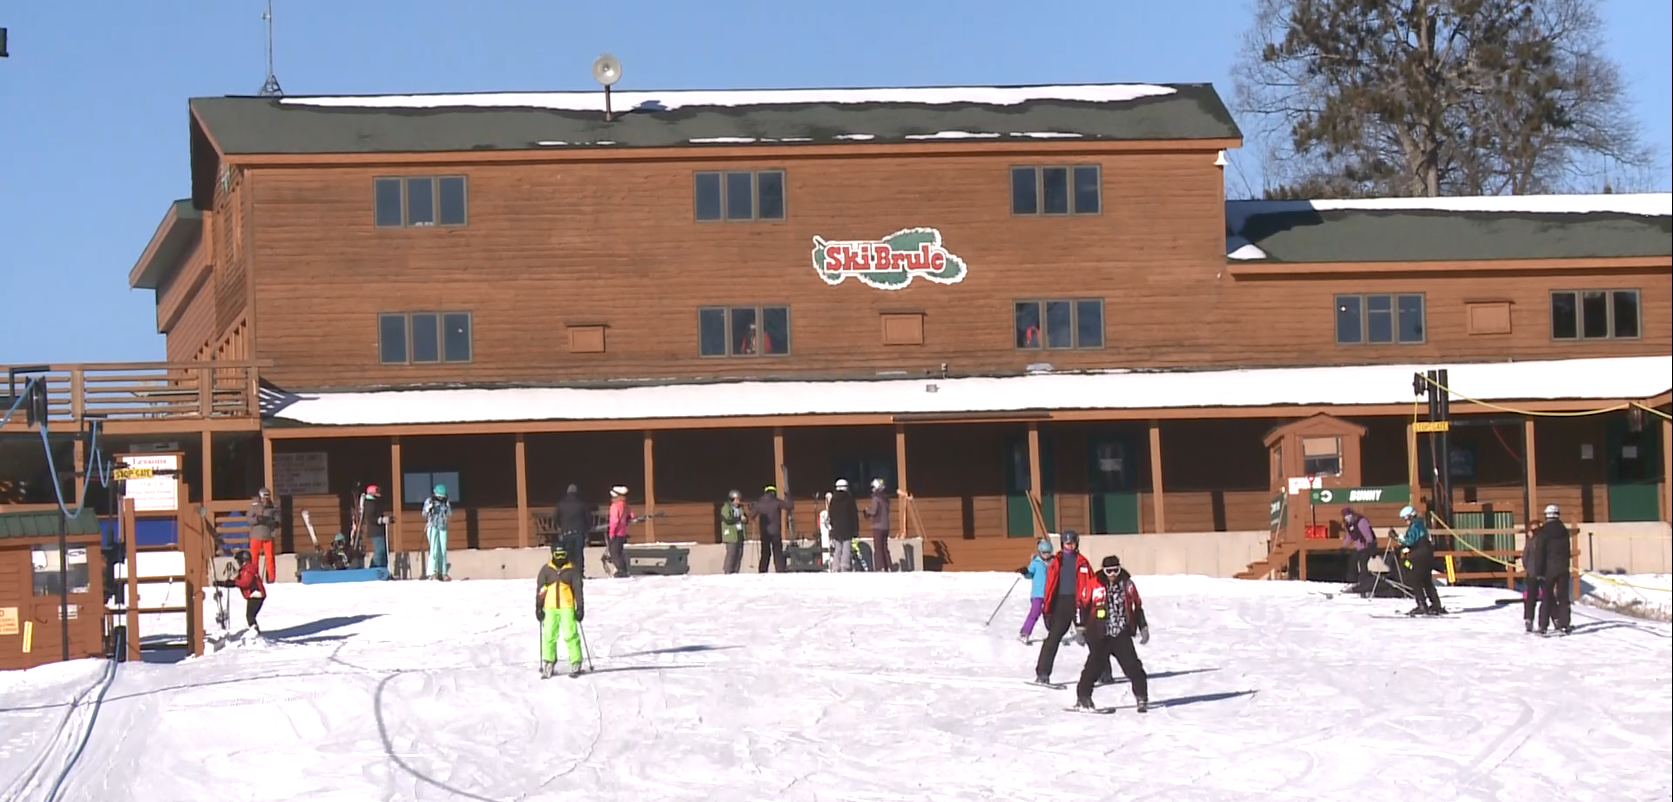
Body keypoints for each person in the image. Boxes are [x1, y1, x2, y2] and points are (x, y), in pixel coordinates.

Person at [1076, 554, 1150, 712]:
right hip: (1100, 633)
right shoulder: (1094, 584)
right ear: (1103, 571)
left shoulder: (1127, 584)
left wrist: (1142, 627)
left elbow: (1137, 607)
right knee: (1093, 668)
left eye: (1115, 570)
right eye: (1109, 571)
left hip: (1121, 633)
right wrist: (1081, 628)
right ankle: (1083, 697)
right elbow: (1082, 606)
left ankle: (1142, 697)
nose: (1112, 575)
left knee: (1133, 667)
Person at [1034, 530, 1094, 685]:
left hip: (1079, 603)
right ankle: (1043, 673)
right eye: (1067, 543)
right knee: (1053, 638)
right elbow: (1049, 585)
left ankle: (1103, 671)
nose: (1070, 546)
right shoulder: (1056, 561)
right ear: (1062, 544)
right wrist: (1047, 608)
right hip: (1061, 602)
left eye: (1072, 543)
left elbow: (1091, 583)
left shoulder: (1083, 562)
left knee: (1092, 637)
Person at [535, 544, 586, 678]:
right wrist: (539, 607)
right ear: (552, 554)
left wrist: (579, 607)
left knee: (570, 634)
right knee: (549, 635)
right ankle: (549, 662)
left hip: (567, 607)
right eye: (557, 555)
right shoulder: (546, 570)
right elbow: (541, 590)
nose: (560, 558)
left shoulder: (572, 570)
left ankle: (576, 661)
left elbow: (578, 590)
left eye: (563, 554)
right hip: (550, 607)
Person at [1394, 505, 1446, 616]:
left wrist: (1397, 537)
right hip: (1426, 554)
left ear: (1410, 516)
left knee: (1416, 580)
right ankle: (1436, 604)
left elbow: (1409, 541)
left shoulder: (1415, 526)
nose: (1405, 521)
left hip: (1419, 555)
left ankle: (1422, 605)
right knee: (1426, 580)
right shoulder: (1420, 524)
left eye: (1406, 518)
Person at [1532, 504, 1573, 635]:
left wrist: (1538, 571)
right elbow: (1567, 551)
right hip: (1563, 568)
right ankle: (1564, 624)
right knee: (1563, 597)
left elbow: (1540, 552)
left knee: (1547, 597)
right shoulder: (1564, 531)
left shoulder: (1543, 532)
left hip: (1548, 569)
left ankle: (1543, 626)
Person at [215, 549, 268, 637]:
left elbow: (246, 582)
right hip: (254, 595)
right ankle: (255, 631)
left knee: (250, 616)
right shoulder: (245, 569)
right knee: (250, 616)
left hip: (255, 595)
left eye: (238, 561)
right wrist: (224, 583)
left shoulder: (248, 568)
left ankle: (255, 633)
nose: (238, 563)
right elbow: (239, 581)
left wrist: (234, 583)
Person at [1016, 537, 1052, 643]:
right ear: (1040, 552)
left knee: (1050, 614)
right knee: (1035, 613)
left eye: (1048, 553)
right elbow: (1030, 574)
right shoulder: (1036, 562)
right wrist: (1025, 572)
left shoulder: (1053, 562)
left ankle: (1053, 634)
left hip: (1050, 594)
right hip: (1038, 594)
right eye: (1044, 552)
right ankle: (1025, 633)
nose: (1046, 555)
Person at [752, 485, 792, 573]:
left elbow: (751, 515)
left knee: (765, 553)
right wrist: (788, 496)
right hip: (776, 532)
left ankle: (762, 571)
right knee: (777, 552)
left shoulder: (759, 503)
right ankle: (780, 570)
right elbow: (789, 506)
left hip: (764, 532)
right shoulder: (776, 502)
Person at [554, 484, 591, 573]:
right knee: (578, 553)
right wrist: (587, 529)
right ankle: (579, 572)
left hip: (566, 532)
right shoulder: (581, 504)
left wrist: (559, 526)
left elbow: (555, 517)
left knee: (568, 553)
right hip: (579, 532)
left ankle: (568, 572)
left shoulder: (561, 504)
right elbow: (588, 517)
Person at [1340, 506, 1377, 591]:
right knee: (1352, 562)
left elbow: (1367, 534)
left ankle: (1364, 585)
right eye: (1345, 516)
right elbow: (1349, 537)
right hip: (1359, 547)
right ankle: (1352, 582)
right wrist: (1344, 547)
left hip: (1367, 545)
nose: (1347, 517)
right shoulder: (1348, 525)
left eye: (1348, 515)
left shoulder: (1361, 521)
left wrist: (1370, 545)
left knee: (1363, 564)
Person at [247, 487, 279, 583]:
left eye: (268, 496)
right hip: (256, 535)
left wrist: (274, 522)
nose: (266, 498)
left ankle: (271, 578)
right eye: (265, 496)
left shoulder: (272, 507)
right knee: (254, 558)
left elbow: (277, 517)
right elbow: (249, 519)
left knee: (270, 558)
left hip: (268, 535)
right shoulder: (254, 506)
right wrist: (258, 519)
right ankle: (254, 578)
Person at [422, 484, 454, 581]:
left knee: (443, 550)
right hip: (432, 526)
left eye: (442, 496)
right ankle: (432, 572)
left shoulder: (445, 502)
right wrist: (429, 509)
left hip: (442, 527)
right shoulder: (429, 501)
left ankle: (443, 572)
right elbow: (424, 513)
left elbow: (450, 513)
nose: (440, 498)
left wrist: (447, 508)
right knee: (434, 549)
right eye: (439, 496)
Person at [828, 480, 860, 572]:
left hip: (837, 527)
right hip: (847, 527)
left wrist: (832, 524)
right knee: (846, 547)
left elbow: (831, 514)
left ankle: (835, 566)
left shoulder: (833, 500)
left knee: (837, 548)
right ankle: (844, 565)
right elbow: (854, 515)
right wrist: (855, 530)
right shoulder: (849, 499)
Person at [864, 478, 892, 572]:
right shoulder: (886, 498)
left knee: (878, 547)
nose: (872, 490)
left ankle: (880, 567)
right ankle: (888, 565)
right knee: (884, 547)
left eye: (873, 487)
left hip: (878, 525)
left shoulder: (876, 498)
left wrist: (867, 510)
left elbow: (874, 511)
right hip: (886, 525)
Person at [1520, 518, 1543, 632]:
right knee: (1548, 597)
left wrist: (1527, 567)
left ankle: (1529, 618)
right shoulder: (1545, 540)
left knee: (1530, 597)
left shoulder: (1530, 541)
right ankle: (1555, 619)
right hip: (1544, 572)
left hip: (1532, 572)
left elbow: (1524, 557)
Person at [358, 484, 388, 571]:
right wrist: (381, 520)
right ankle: (373, 569)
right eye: (376, 491)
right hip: (375, 531)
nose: (379, 493)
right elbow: (370, 518)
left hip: (380, 530)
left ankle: (383, 570)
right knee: (379, 551)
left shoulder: (376, 502)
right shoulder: (369, 503)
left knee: (384, 552)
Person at [606, 485, 632, 577]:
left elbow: (614, 521)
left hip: (616, 533)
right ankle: (624, 569)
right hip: (623, 532)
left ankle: (621, 570)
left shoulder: (615, 506)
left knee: (614, 553)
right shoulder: (624, 505)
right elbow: (631, 515)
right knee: (620, 552)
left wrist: (611, 533)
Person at [720, 490, 748, 575]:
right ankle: (728, 570)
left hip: (739, 532)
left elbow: (744, 517)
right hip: (731, 534)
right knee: (731, 553)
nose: (738, 502)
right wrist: (739, 518)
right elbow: (728, 519)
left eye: (739, 500)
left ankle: (736, 571)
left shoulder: (740, 508)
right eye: (736, 500)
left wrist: (745, 519)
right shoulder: (726, 507)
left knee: (739, 553)